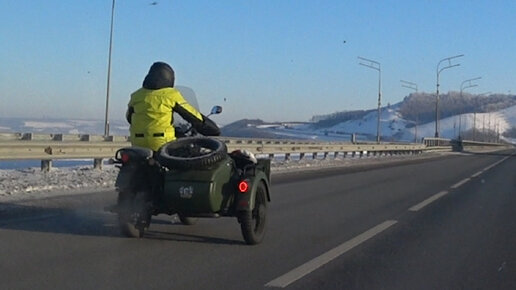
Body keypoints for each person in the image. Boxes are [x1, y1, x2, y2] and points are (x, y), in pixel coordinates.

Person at [126, 62, 220, 151]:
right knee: (186, 158)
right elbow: (192, 115)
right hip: (163, 142)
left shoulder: (136, 95)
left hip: (137, 143)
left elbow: (129, 117)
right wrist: (211, 128)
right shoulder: (170, 95)